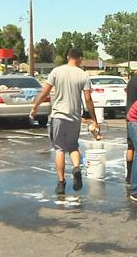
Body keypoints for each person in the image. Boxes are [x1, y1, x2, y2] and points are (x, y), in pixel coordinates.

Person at [30, 47, 101, 195]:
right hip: (74, 117)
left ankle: (61, 183)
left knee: (60, 149)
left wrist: (35, 107)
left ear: (68, 56)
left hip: (58, 116)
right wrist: (94, 119)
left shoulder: (56, 71)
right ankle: (76, 168)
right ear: (80, 58)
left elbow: (45, 92)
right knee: (73, 146)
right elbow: (88, 99)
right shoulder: (83, 75)